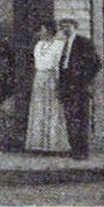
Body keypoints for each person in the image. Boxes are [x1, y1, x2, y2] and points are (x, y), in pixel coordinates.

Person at [55, 18, 101, 159]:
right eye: (63, 26)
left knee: (82, 118)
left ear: (75, 26)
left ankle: (83, 150)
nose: (65, 29)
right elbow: (63, 66)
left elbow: (96, 64)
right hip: (68, 87)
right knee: (70, 118)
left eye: (68, 26)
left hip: (81, 88)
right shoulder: (64, 44)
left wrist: (84, 80)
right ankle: (74, 148)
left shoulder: (84, 42)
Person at [24, 23, 69, 154]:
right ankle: (38, 144)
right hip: (39, 78)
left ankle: (54, 144)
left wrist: (58, 81)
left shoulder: (58, 45)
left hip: (51, 78)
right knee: (39, 108)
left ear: (50, 31)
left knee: (52, 108)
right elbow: (37, 62)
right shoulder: (38, 45)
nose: (40, 33)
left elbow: (58, 65)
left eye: (43, 30)